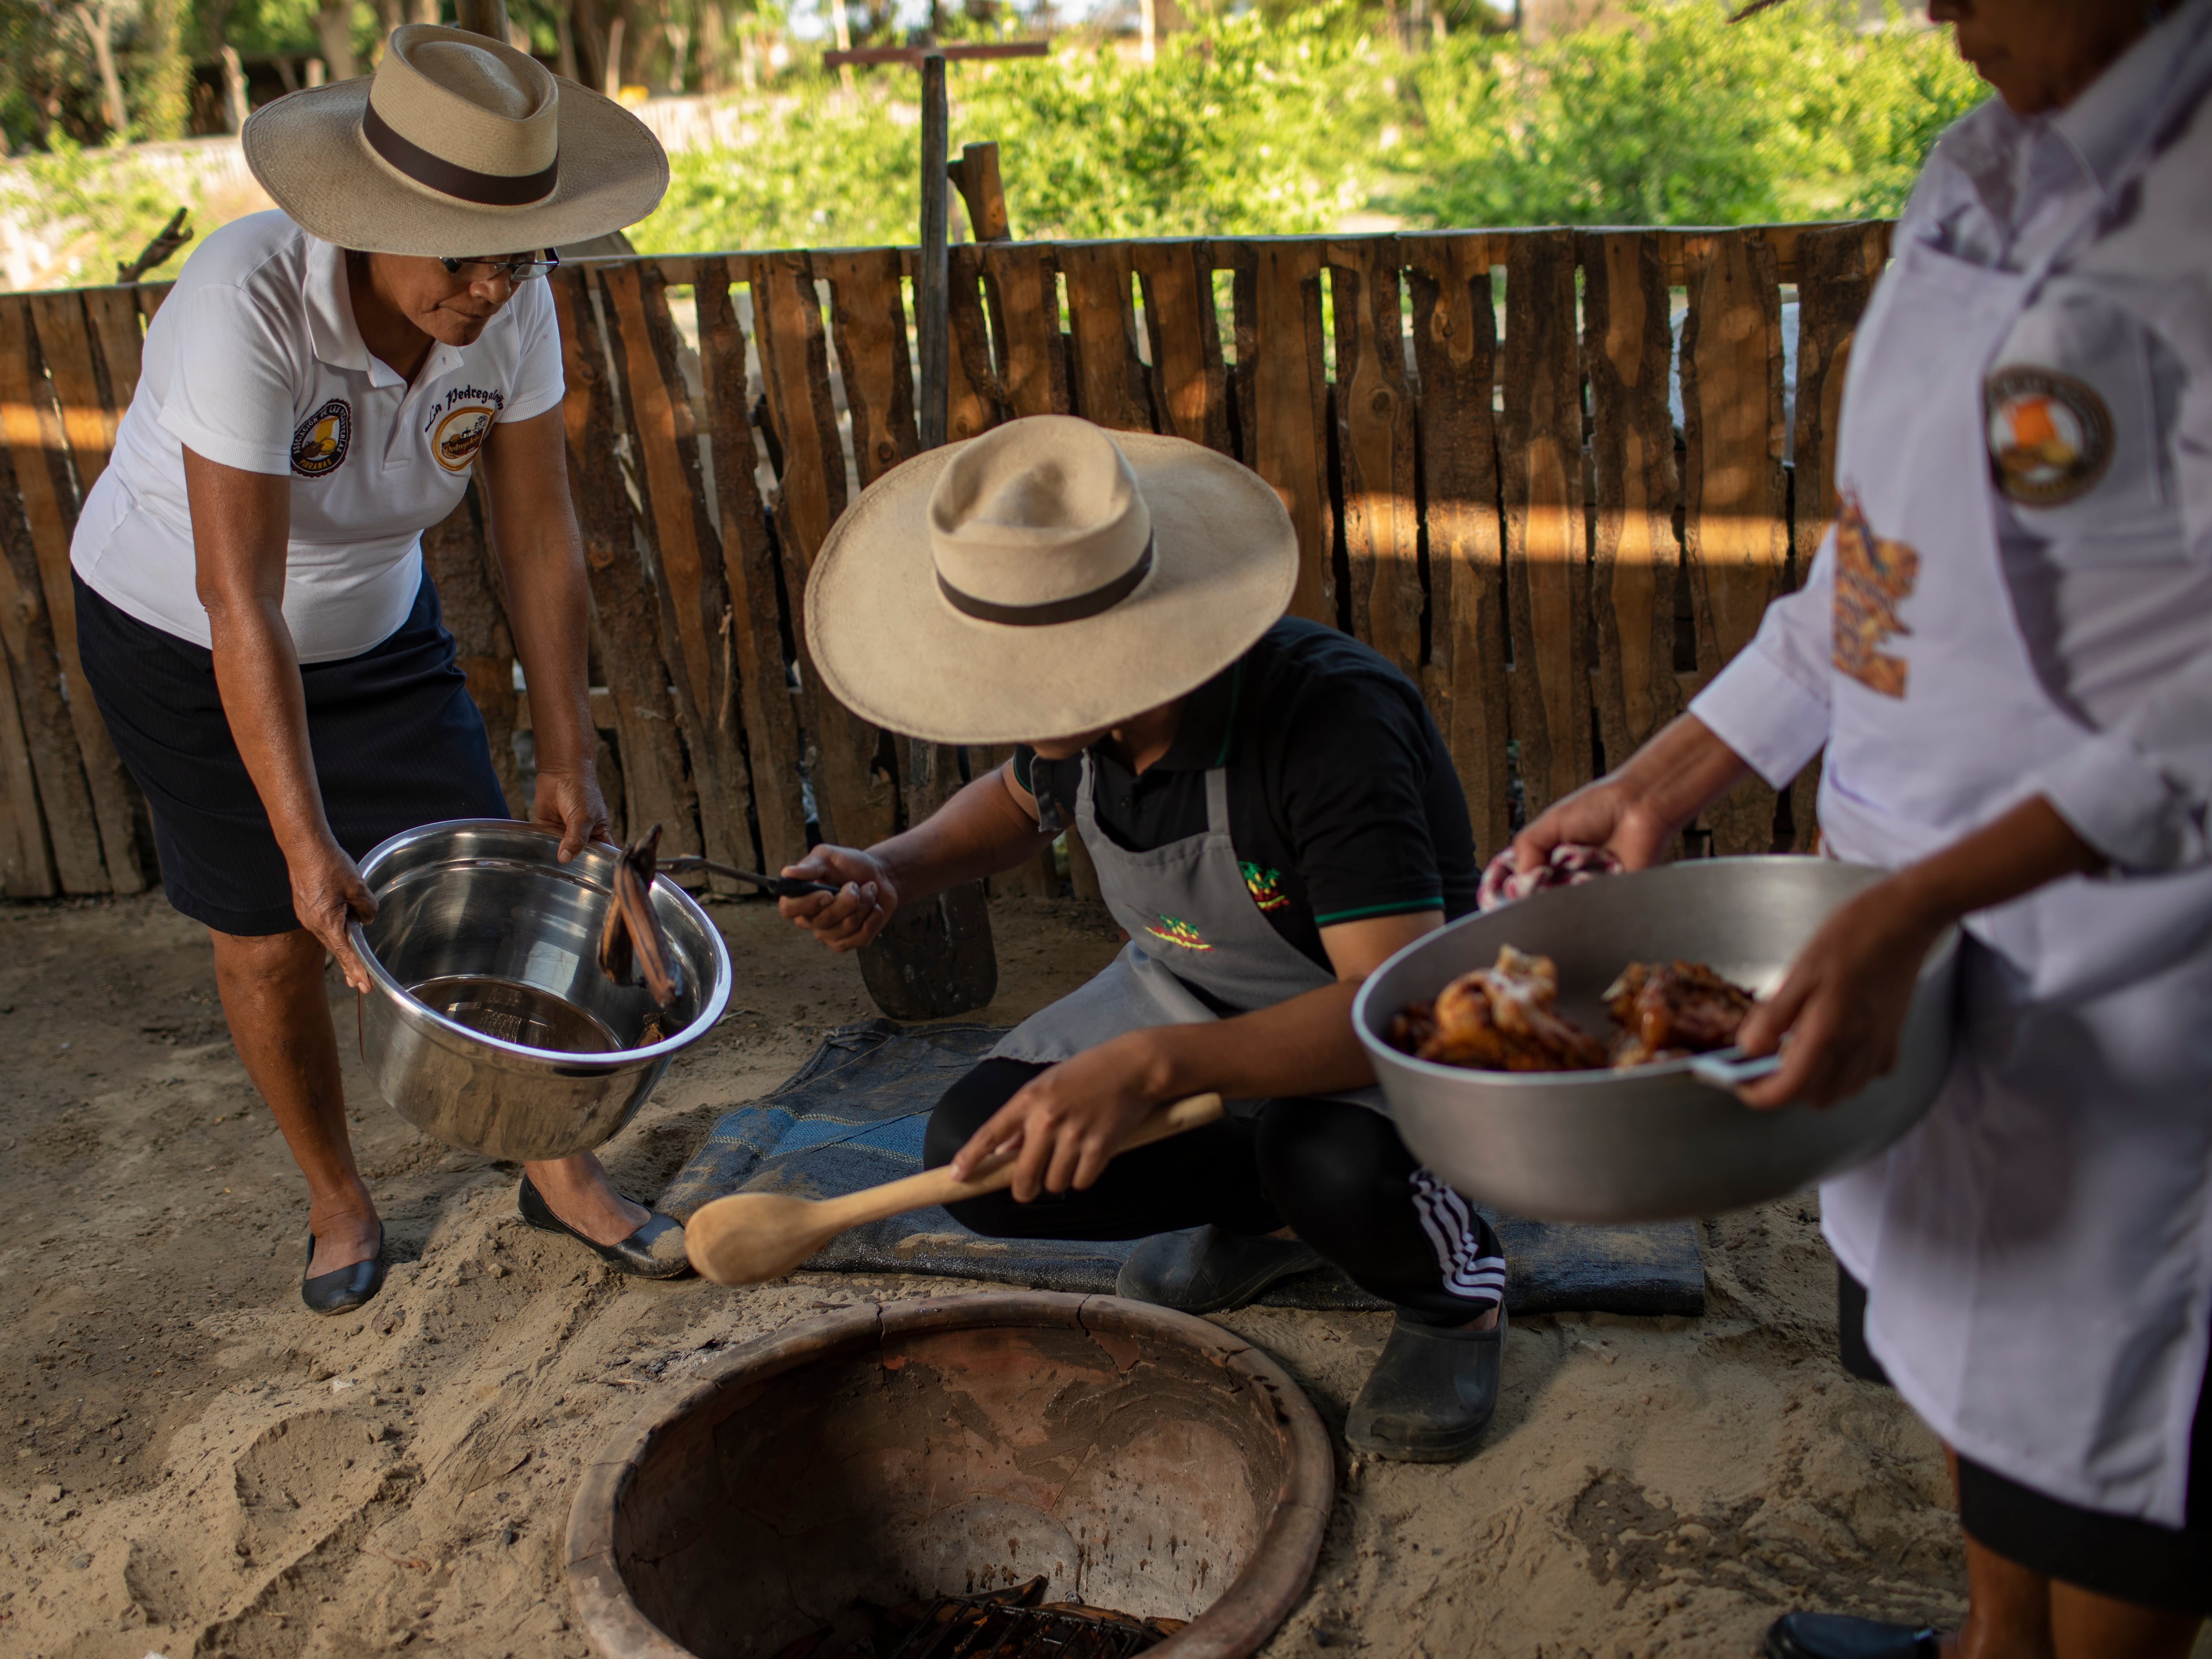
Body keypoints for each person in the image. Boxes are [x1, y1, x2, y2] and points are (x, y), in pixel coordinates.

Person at [1521, 1, 2212, 1652]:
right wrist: (1663, 781)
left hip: (2138, 963)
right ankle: (1989, 1639)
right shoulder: (1975, 166)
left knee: (2114, 1408)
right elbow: (1873, 565)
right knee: (1955, 1320)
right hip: (1899, 925)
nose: (1937, 10)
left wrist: (1918, 906)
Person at [69, 25, 688, 1314]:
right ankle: (337, 1197)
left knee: (489, 894)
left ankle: (558, 1167)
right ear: (373, 219)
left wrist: (567, 749)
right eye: (462, 258)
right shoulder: (246, 302)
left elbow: (538, 532)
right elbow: (238, 599)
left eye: (521, 256)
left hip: (377, 625)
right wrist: (303, 841)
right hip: (187, 636)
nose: (492, 288)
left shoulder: (511, 306)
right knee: (269, 937)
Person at [776, 414, 1507, 1461]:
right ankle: (1274, 1224)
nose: (1011, 698)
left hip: (1395, 1028)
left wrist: (1152, 1066)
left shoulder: (1327, 722)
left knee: (1334, 1165)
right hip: (1188, 996)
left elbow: (1394, 1010)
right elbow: (1016, 803)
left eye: (1040, 668)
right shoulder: (1075, 724)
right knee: (983, 1156)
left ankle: (1455, 1298)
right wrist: (895, 868)